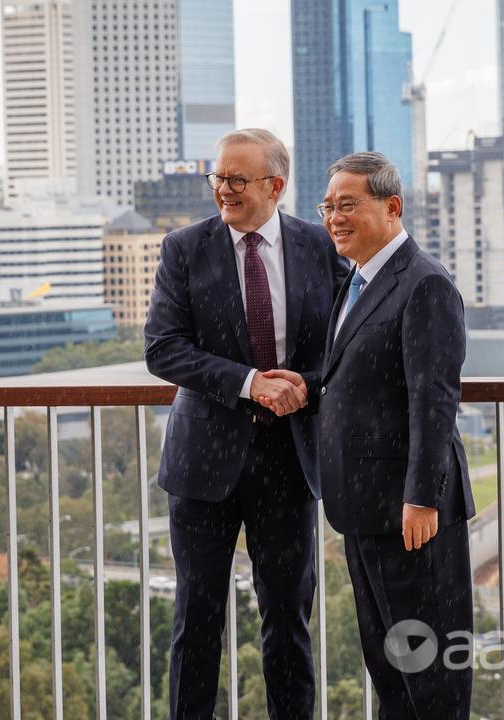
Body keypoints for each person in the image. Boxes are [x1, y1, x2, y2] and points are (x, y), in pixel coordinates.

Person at [144, 128, 350, 719]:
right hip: (202, 464)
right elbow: (163, 348)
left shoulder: (319, 247)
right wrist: (248, 382)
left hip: (289, 460)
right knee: (196, 621)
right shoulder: (183, 248)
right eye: (217, 177)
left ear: (275, 186)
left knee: (289, 621)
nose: (223, 190)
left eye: (237, 179)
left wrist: (305, 384)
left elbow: (343, 345)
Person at [264, 151, 475, 718]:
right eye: (328, 206)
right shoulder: (357, 280)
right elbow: (362, 377)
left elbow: (434, 400)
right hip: (364, 510)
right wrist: (308, 384)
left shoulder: (425, 285)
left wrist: (421, 498)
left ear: (392, 206)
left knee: (429, 675)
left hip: (409, 516)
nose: (334, 216)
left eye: (348, 204)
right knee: (390, 671)